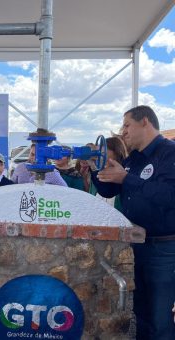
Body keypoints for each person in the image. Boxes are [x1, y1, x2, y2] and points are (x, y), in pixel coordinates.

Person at [91, 105, 175, 339]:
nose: (123, 131)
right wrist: (96, 168)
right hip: (136, 246)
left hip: (164, 249)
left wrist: (128, 178)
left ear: (145, 121)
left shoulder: (170, 153)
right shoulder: (134, 159)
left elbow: (170, 195)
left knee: (160, 318)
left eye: (127, 124)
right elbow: (110, 190)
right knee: (141, 315)